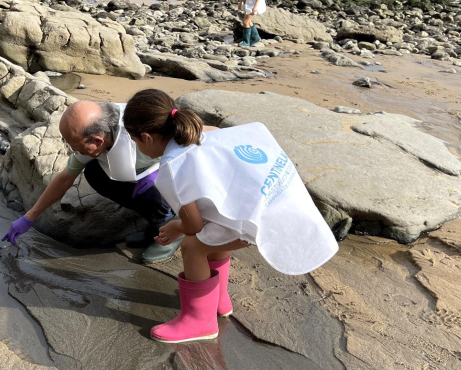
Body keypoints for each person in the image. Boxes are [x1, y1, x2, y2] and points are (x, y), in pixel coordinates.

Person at [123, 89, 339, 344]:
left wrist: (176, 227)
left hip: (261, 221)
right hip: (284, 202)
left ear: (146, 137)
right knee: (214, 230)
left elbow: (194, 225)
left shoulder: (171, 168)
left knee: (193, 246)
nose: (137, 147)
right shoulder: (204, 132)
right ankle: (218, 300)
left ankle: (199, 321)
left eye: (135, 141)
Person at [1, 100, 182, 262]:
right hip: (137, 172)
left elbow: (186, 157)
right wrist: (29, 217)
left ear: (97, 140)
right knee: (94, 174)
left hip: (174, 175)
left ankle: (172, 229)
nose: (74, 151)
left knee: (154, 193)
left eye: (76, 146)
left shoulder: (142, 129)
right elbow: (65, 179)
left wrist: (157, 171)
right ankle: (153, 224)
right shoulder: (98, 131)